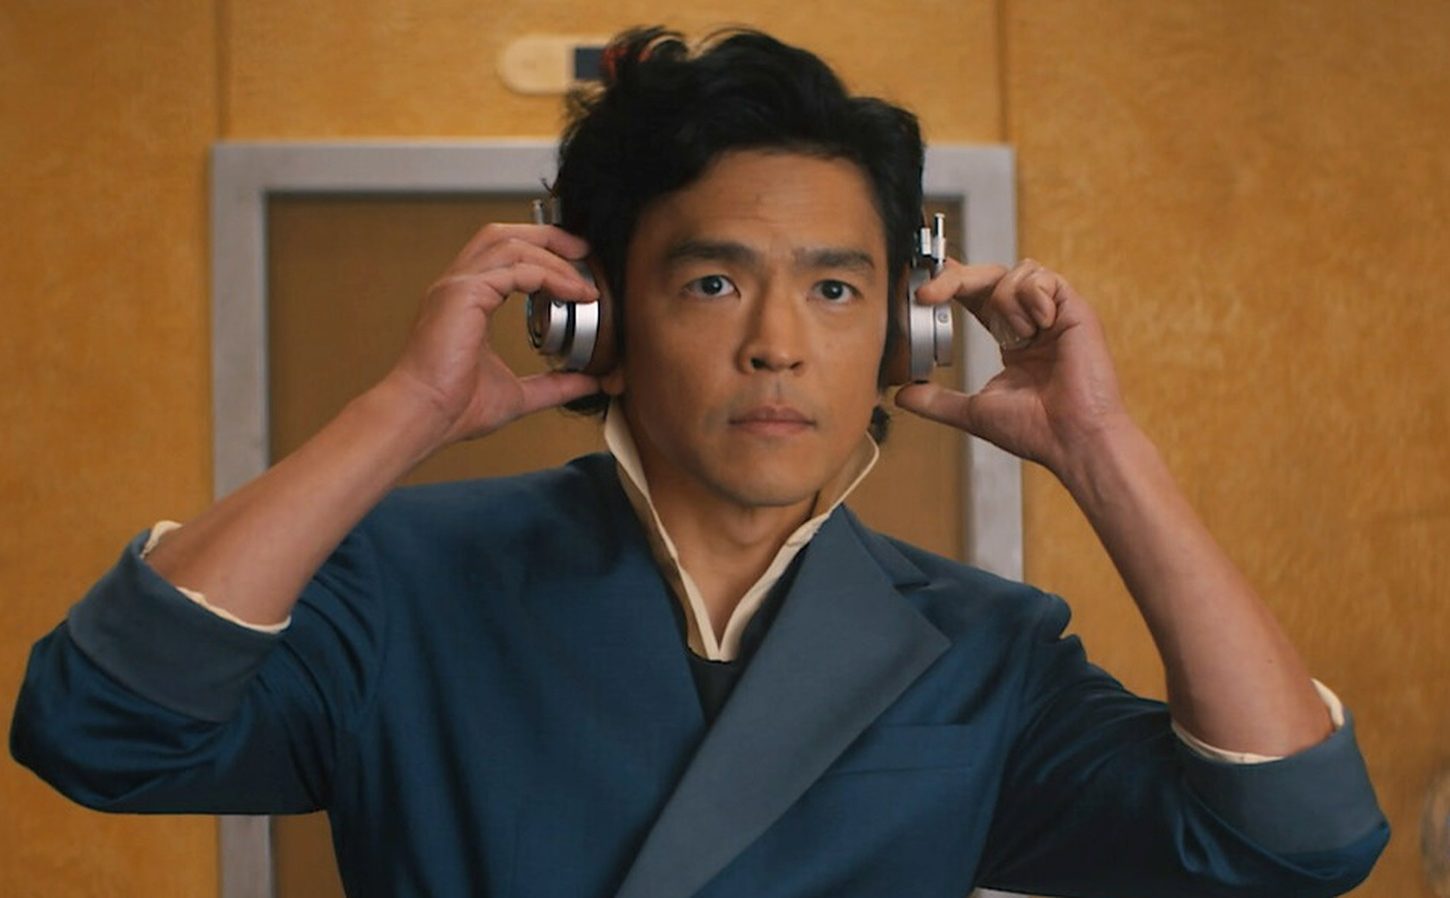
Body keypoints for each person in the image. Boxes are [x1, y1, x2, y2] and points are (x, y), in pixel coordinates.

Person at [11, 26, 1387, 898]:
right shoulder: (405, 586)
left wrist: (1103, 452)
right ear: (595, 320)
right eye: (714, 284)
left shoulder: (985, 654)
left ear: (901, 334)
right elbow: (99, 727)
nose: (779, 345)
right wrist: (402, 413)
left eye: (837, 290)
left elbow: (1293, 836)